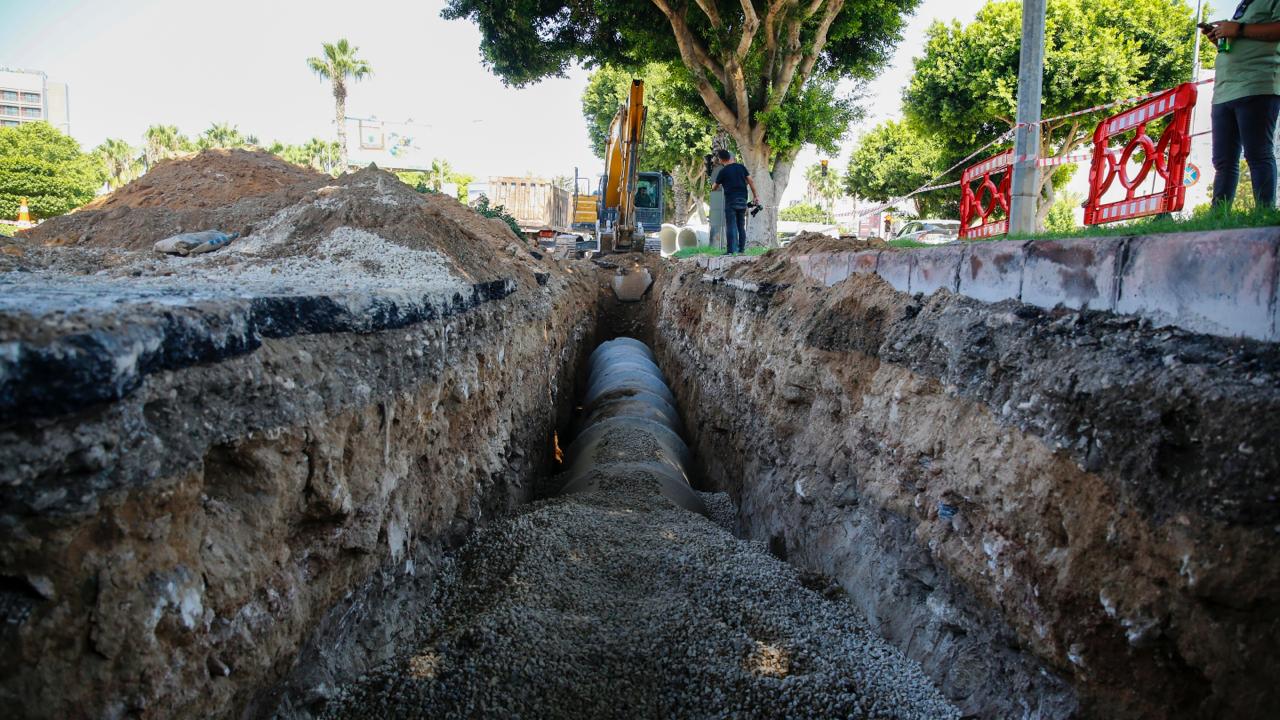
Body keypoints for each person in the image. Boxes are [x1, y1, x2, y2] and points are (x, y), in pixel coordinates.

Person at [1202, 2, 1280, 209]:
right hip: (1224, 91)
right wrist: (1220, 37)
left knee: (1258, 154)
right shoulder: (1245, 4)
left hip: (1258, 85)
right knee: (1223, 161)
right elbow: (1245, 40)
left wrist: (1239, 29)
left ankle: (1264, 213)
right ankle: (1218, 215)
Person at [710, 149, 758, 254]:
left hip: (731, 201)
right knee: (741, 226)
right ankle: (741, 250)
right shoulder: (741, 167)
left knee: (731, 225)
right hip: (743, 200)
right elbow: (750, 181)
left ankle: (731, 251)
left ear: (721, 160)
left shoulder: (723, 171)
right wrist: (755, 196)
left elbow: (714, 187)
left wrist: (716, 184)